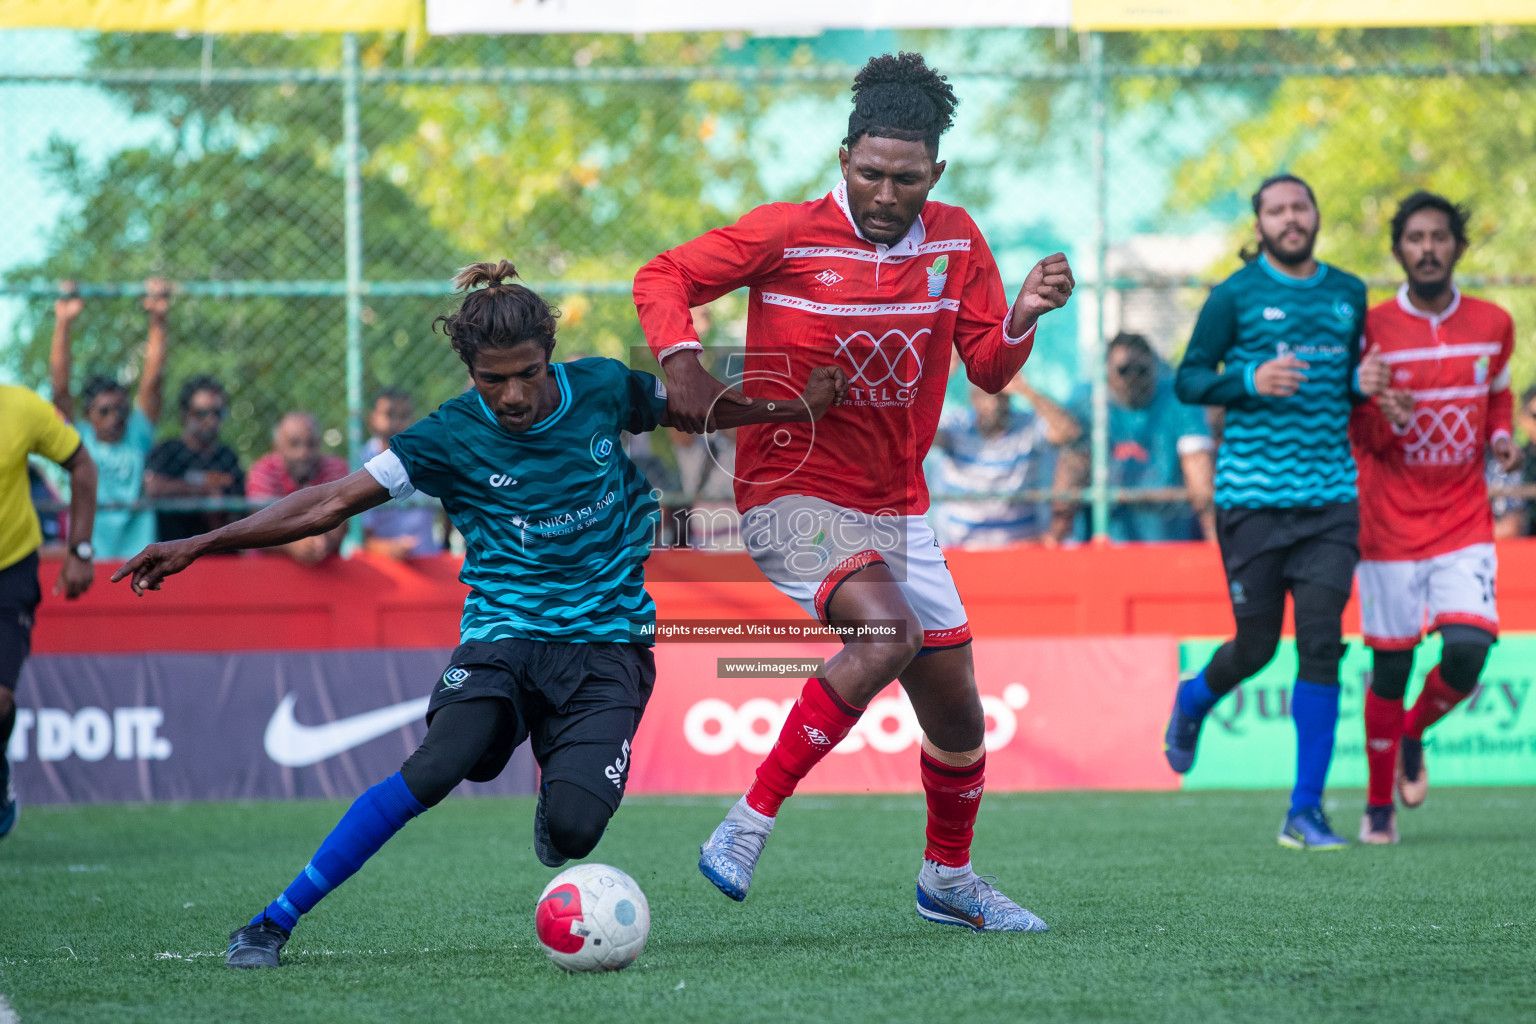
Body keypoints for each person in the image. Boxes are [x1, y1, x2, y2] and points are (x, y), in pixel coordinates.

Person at [111, 260, 846, 968]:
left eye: (527, 373)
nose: (514, 394)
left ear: (549, 356)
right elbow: (331, 502)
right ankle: (273, 921)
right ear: (471, 374)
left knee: (575, 830)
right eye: (494, 380)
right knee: (437, 768)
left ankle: (553, 796)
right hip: (503, 638)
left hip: (608, 647)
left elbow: (702, 407)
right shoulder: (447, 436)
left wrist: (797, 407)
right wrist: (204, 542)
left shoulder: (601, 389)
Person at [634, 52, 1073, 931]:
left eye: (906, 179)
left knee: (957, 712)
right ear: (843, 159)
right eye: (870, 172)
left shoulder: (956, 239)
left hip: (896, 508)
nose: (885, 192)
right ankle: (747, 822)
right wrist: (681, 359)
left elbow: (987, 368)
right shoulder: (787, 234)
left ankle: (948, 881)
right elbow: (662, 275)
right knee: (888, 633)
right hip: (788, 494)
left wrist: (1021, 313)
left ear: (934, 173)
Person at [1163, 173, 1390, 850]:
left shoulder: (1350, 292)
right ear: (1259, 224)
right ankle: (1193, 699)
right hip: (1252, 503)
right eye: (1277, 210)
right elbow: (1188, 378)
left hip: (1330, 502)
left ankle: (1305, 811)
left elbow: (1345, 387)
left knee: (1322, 645)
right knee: (1257, 647)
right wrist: (1248, 381)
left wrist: (1360, 384)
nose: (1291, 219)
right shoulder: (1232, 297)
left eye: (1301, 207)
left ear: (1317, 215)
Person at [1349, 192, 1520, 844]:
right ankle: (1377, 807)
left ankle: (1415, 731)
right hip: (1387, 526)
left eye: (1439, 237)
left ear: (1457, 247)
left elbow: (1499, 393)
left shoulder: (1494, 322)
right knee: (1390, 669)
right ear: (1399, 250)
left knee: (1470, 650)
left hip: (1462, 519)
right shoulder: (1369, 329)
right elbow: (1355, 426)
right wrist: (1377, 413)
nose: (1427, 248)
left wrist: (1501, 436)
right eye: (1415, 238)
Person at [1, 384, 98, 839]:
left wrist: (79, 549)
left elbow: (82, 464)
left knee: (0, 700)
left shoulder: (19, 407)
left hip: (10, 566)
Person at [49, 280, 169, 559]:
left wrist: (158, 319)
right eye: (104, 411)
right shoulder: (80, 438)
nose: (115, 418)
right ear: (89, 413)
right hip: (90, 554)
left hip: (137, 554)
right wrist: (64, 323)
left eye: (121, 411)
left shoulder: (136, 435)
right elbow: (60, 389)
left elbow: (153, 381)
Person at [1058, 333, 1216, 542]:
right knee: (1075, 453)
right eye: (1124, 370)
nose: (1133, 378)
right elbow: (1059, 439)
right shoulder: (1087, 399)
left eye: (1141, 371)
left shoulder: (1175, 398)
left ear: (1154, 370)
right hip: (1104, 537)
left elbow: (1198, 463)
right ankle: (1056, 537)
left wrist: (1213, 535)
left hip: (1164, 537)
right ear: (1107, 371)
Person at [927, 377, 1076, 548]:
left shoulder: (1027, 425)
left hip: (1019, 549)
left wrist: (1026, 390)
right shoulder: (956, 426)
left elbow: (1068, 432)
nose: (994, 405)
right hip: (964, 548)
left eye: (999, 396)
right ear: (973, 398)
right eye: (985, 396)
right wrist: (937, 375)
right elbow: (916, 437)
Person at [144, 377, 245, 542]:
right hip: (170, 548)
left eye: (218, 413)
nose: (211, 420)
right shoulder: (167, 452)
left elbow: (237, 505)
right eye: (202, 413)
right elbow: (153, 487)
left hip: (217, 552)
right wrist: (204, 491)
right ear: (185, 414)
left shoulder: (228, 457)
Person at [245, 412, 350, 563]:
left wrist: (324, 542)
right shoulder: (263, 471)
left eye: (311, 444)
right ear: (276, 447)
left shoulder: (336, 468)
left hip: (326, 569)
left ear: (320, 443)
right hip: (268, 569)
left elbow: (342, 518)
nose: (303, 453)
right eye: (294, 444)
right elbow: (259, 526)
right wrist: (292, 544)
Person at [359, 389, 442, 559]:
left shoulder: (430, 459)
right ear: (372, 420)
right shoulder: (361, 465)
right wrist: (388, 550)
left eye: (404, 415)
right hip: (382, 569)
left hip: (430, 562)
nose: (397, 423)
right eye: (389, 415)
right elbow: (359, 537)